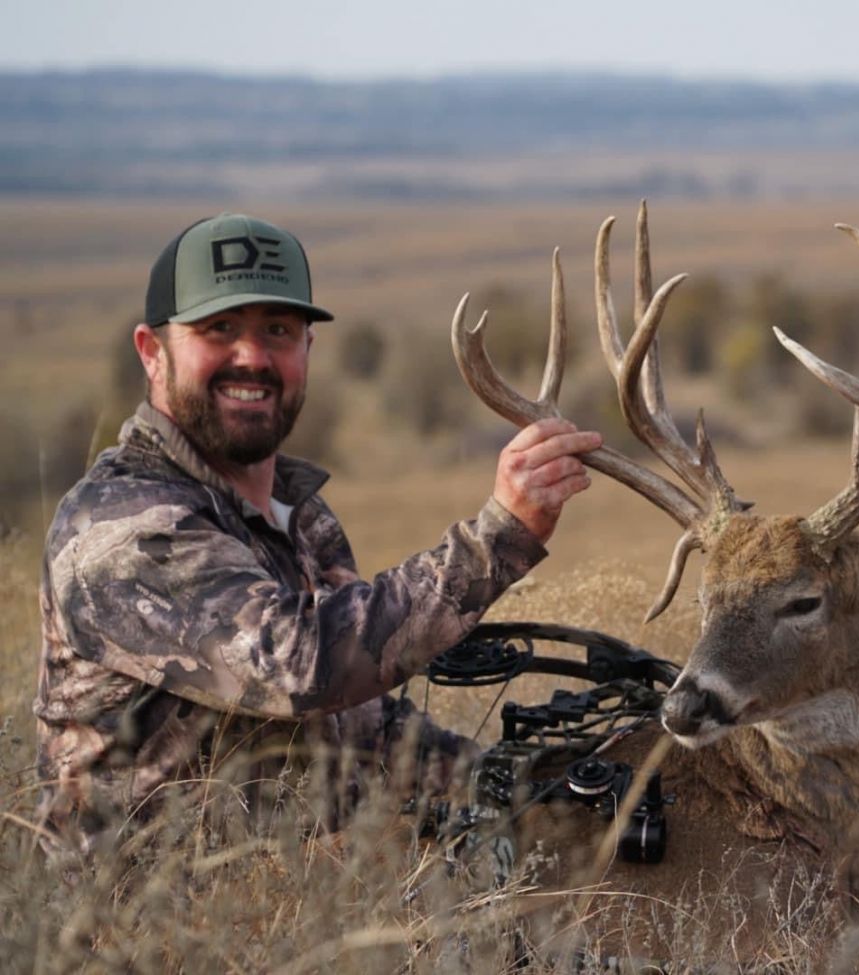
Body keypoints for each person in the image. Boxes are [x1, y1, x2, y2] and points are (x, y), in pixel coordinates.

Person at [32, 213, 601, 856]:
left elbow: (366, 728)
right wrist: (496, 538)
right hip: (148, 933)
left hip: (306, 906)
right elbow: (301, 666)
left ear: (307, 350)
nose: (252, 358)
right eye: (218, 330)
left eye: (278, 331)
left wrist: (521, 795)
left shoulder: (300, 516)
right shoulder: (119, 528)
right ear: (151, 352)